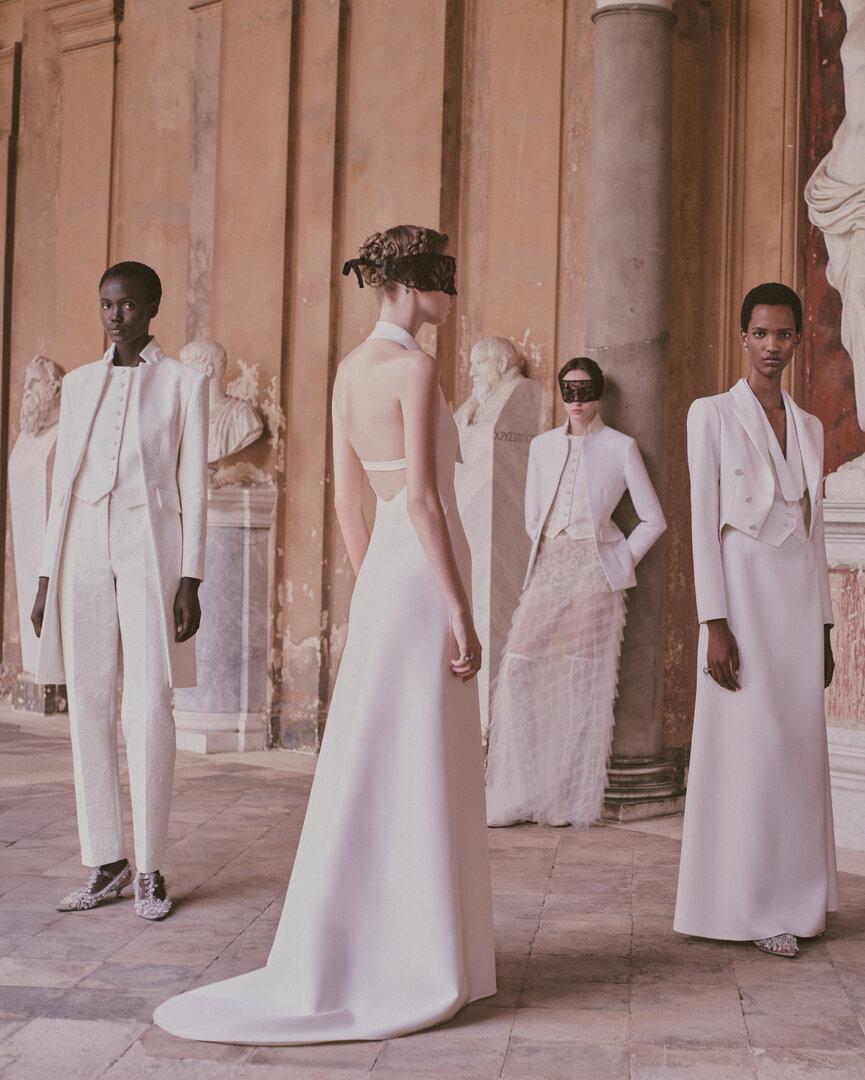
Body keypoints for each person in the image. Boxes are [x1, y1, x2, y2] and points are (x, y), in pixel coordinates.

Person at [154, 225, 496, 1044]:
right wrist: (457, 607)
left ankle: (380, 948)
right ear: (410, 285)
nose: (451, 294)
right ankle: (420, 957)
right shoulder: (414, 368)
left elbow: (349, 501)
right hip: (423, 573)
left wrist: (374, 589)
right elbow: (423, 500)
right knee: (421, 754)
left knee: (380, 755)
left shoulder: (348, 370)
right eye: (442, 279)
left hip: (385, 577)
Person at [31, 261, 208, 921]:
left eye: (128, 305)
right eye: (107, 304)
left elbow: (195, 485)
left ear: (152, 307)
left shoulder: (184, 383)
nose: (115, 316)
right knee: (88, 702)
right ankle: (106, 861)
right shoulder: (78, 384)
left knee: (150, 703)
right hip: (81, 546)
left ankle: (152, 868)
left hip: (147, 547)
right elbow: (62, 486)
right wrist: (45, 576)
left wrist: (191, 576)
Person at [674, 282, 837, 958]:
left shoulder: (810, 427)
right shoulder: (710, 414)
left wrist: (826, 628)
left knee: (795, 750)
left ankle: (799, 900)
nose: (772, 346)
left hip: (796, 601)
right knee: (748, 748)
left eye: (783, 334)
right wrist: (713, 621)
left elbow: (816, 534)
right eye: (761, 333)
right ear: (743, 337)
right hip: (741, 595)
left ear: (797, 339)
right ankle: (744, 905)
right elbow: (700, 522)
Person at [485, 358, 666, 826]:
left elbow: (654, 520)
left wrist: (618, 561)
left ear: (599, 393)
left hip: (595, 569)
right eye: (569, 392)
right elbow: (533, 516)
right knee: (517, 668)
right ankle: (522, 789)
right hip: (550, 565)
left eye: (585, 392)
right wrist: (554, 546)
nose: (577, 401)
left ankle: (564, 796)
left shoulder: (621, 447)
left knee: (581, 677)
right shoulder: (542, 446)